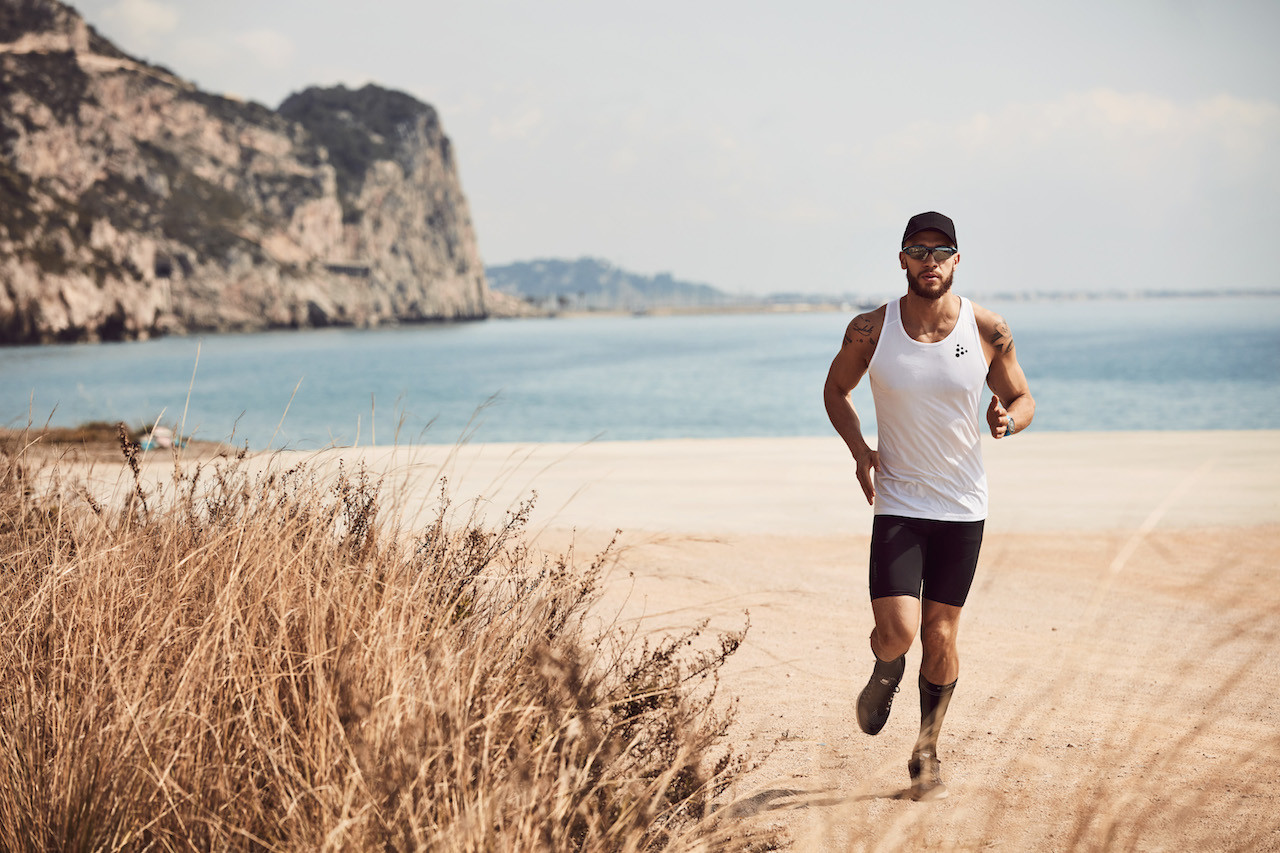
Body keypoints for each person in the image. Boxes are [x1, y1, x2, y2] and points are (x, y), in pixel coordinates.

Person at [822, 211, 1035, 800]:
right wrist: (860, 451)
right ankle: (887, 666)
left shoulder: (988, 328)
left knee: (940, 636)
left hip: (963, 507)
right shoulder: (870, 329)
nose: (930, 261)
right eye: (919, 250)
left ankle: (926, 748)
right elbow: (835, 390)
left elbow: (1021, 397)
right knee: (897, 633)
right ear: (902, 259)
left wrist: (1006, 422)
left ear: (957, 260)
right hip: (897, 499)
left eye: (941, 252)